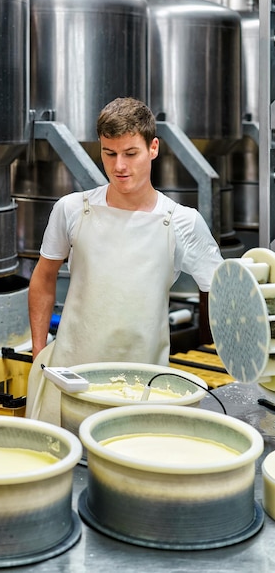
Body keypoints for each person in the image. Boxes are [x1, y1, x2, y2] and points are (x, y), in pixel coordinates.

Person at [26, 97, 223, 422]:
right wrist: (38, 352)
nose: (119, 166)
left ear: (153, 148)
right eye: (109, 153)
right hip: (71, 380)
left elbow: (223, 293)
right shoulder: (73, 209)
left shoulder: (181, 222)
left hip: (143, 388)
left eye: (131, 154)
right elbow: (44, 277)